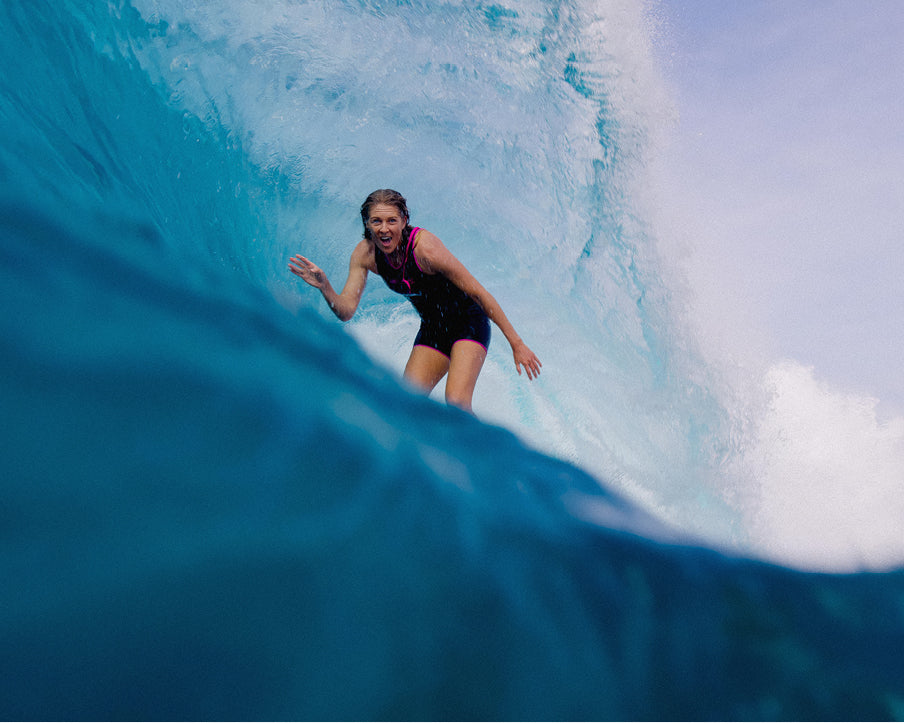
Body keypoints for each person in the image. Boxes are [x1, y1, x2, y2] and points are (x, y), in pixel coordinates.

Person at [288, 188, 541, 412]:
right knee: (404, 405)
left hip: (469, 322)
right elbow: (346, 311)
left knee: (456, 403)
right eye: (376, 221)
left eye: (391, 221)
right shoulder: (365, 254)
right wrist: (325, 286)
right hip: (433, 328)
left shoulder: (425, 249)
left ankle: (486, 462)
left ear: (404, 221)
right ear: (367, 223)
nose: (384, 228)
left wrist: (516, 343)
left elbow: (478, 292)